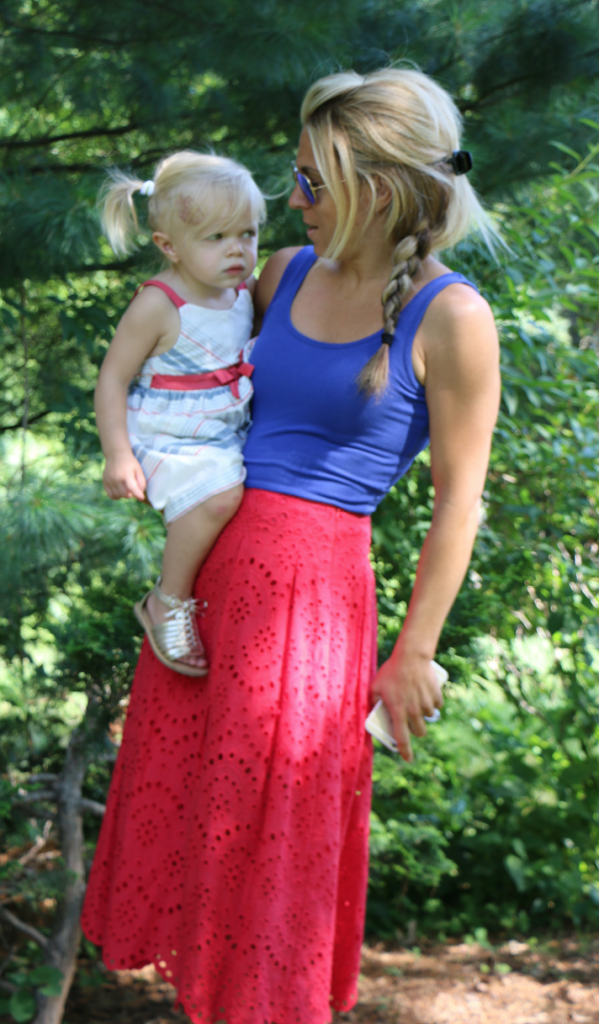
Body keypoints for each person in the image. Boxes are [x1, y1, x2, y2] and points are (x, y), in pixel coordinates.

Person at [81, 68, 500, 1024]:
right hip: (208, 594)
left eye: (311, 182)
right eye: (293, 176)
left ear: (378, 188)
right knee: (205, 841)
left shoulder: (453, 317)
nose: (290, 200)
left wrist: (415, 652)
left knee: (271, 865)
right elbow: (192, 377)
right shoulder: (279, 274)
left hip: (310, 612)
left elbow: (457, 506)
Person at [95, 151, 265, 676]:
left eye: (247, 233)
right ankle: (167, 599)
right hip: (163, 433)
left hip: (218, 432)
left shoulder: (241, 293)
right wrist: (118, 454)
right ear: (169, 247)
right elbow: (112, 379)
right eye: (215, 238)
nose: (237, 249)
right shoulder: (159, 303)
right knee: (219, 498)